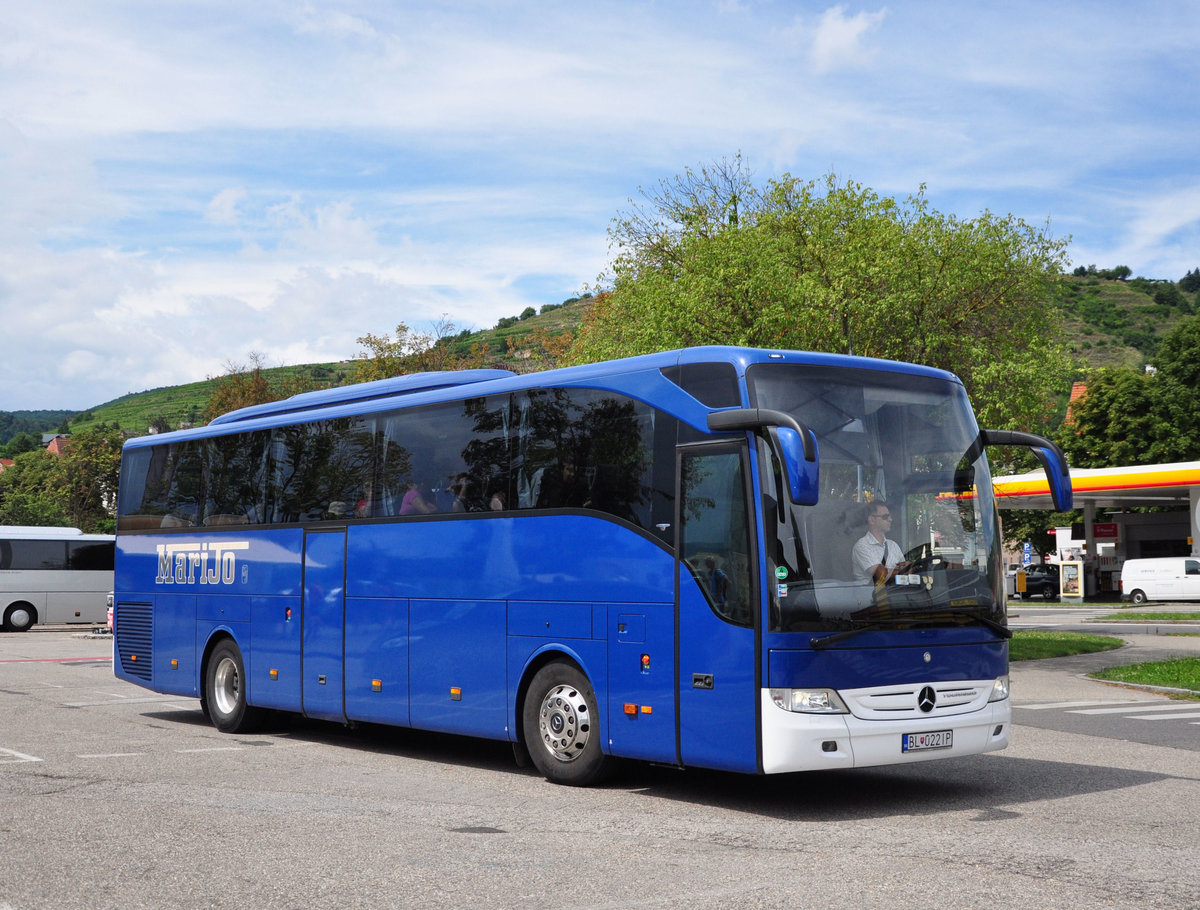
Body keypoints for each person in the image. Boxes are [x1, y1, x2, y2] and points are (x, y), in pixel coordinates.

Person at [852, 501, 909, 584]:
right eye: (885, 517)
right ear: (872, 520)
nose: (890, 519)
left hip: (895, 594)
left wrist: (908, 567)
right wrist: (904, 572)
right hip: (868, 596)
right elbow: (882, 575)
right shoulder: (862, 546)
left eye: (889, 516)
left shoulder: (893, 546)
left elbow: (905, 572)